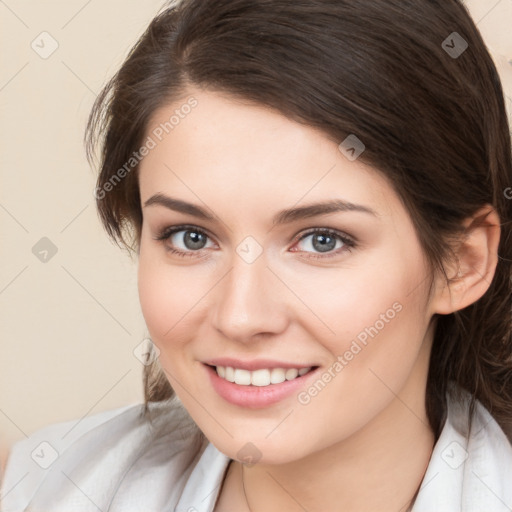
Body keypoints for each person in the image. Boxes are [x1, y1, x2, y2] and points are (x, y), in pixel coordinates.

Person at [2, 0, 512, 510]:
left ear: (460, 263)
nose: (240, 317)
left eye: (321, 240)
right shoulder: (41, 487)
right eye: (190, 237)